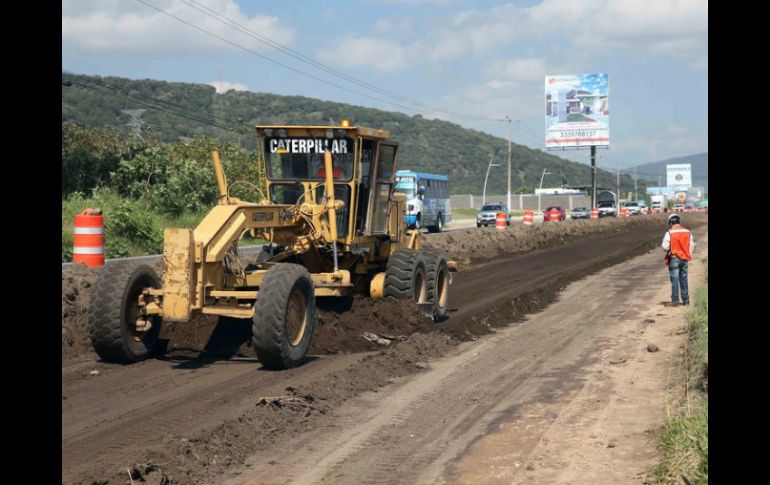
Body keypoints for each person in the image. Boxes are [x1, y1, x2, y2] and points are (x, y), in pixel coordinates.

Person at [661, 214, 696, 306]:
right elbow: (691, 245)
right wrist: (688, 254)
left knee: (675, 279)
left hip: (674, 258)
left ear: (670, 222)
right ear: (679, 221)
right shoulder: (687, 232)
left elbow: (665, 247)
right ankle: (686, 300)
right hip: (684, 258)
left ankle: (675, 300)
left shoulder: (669, 232)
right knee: (683, 278)